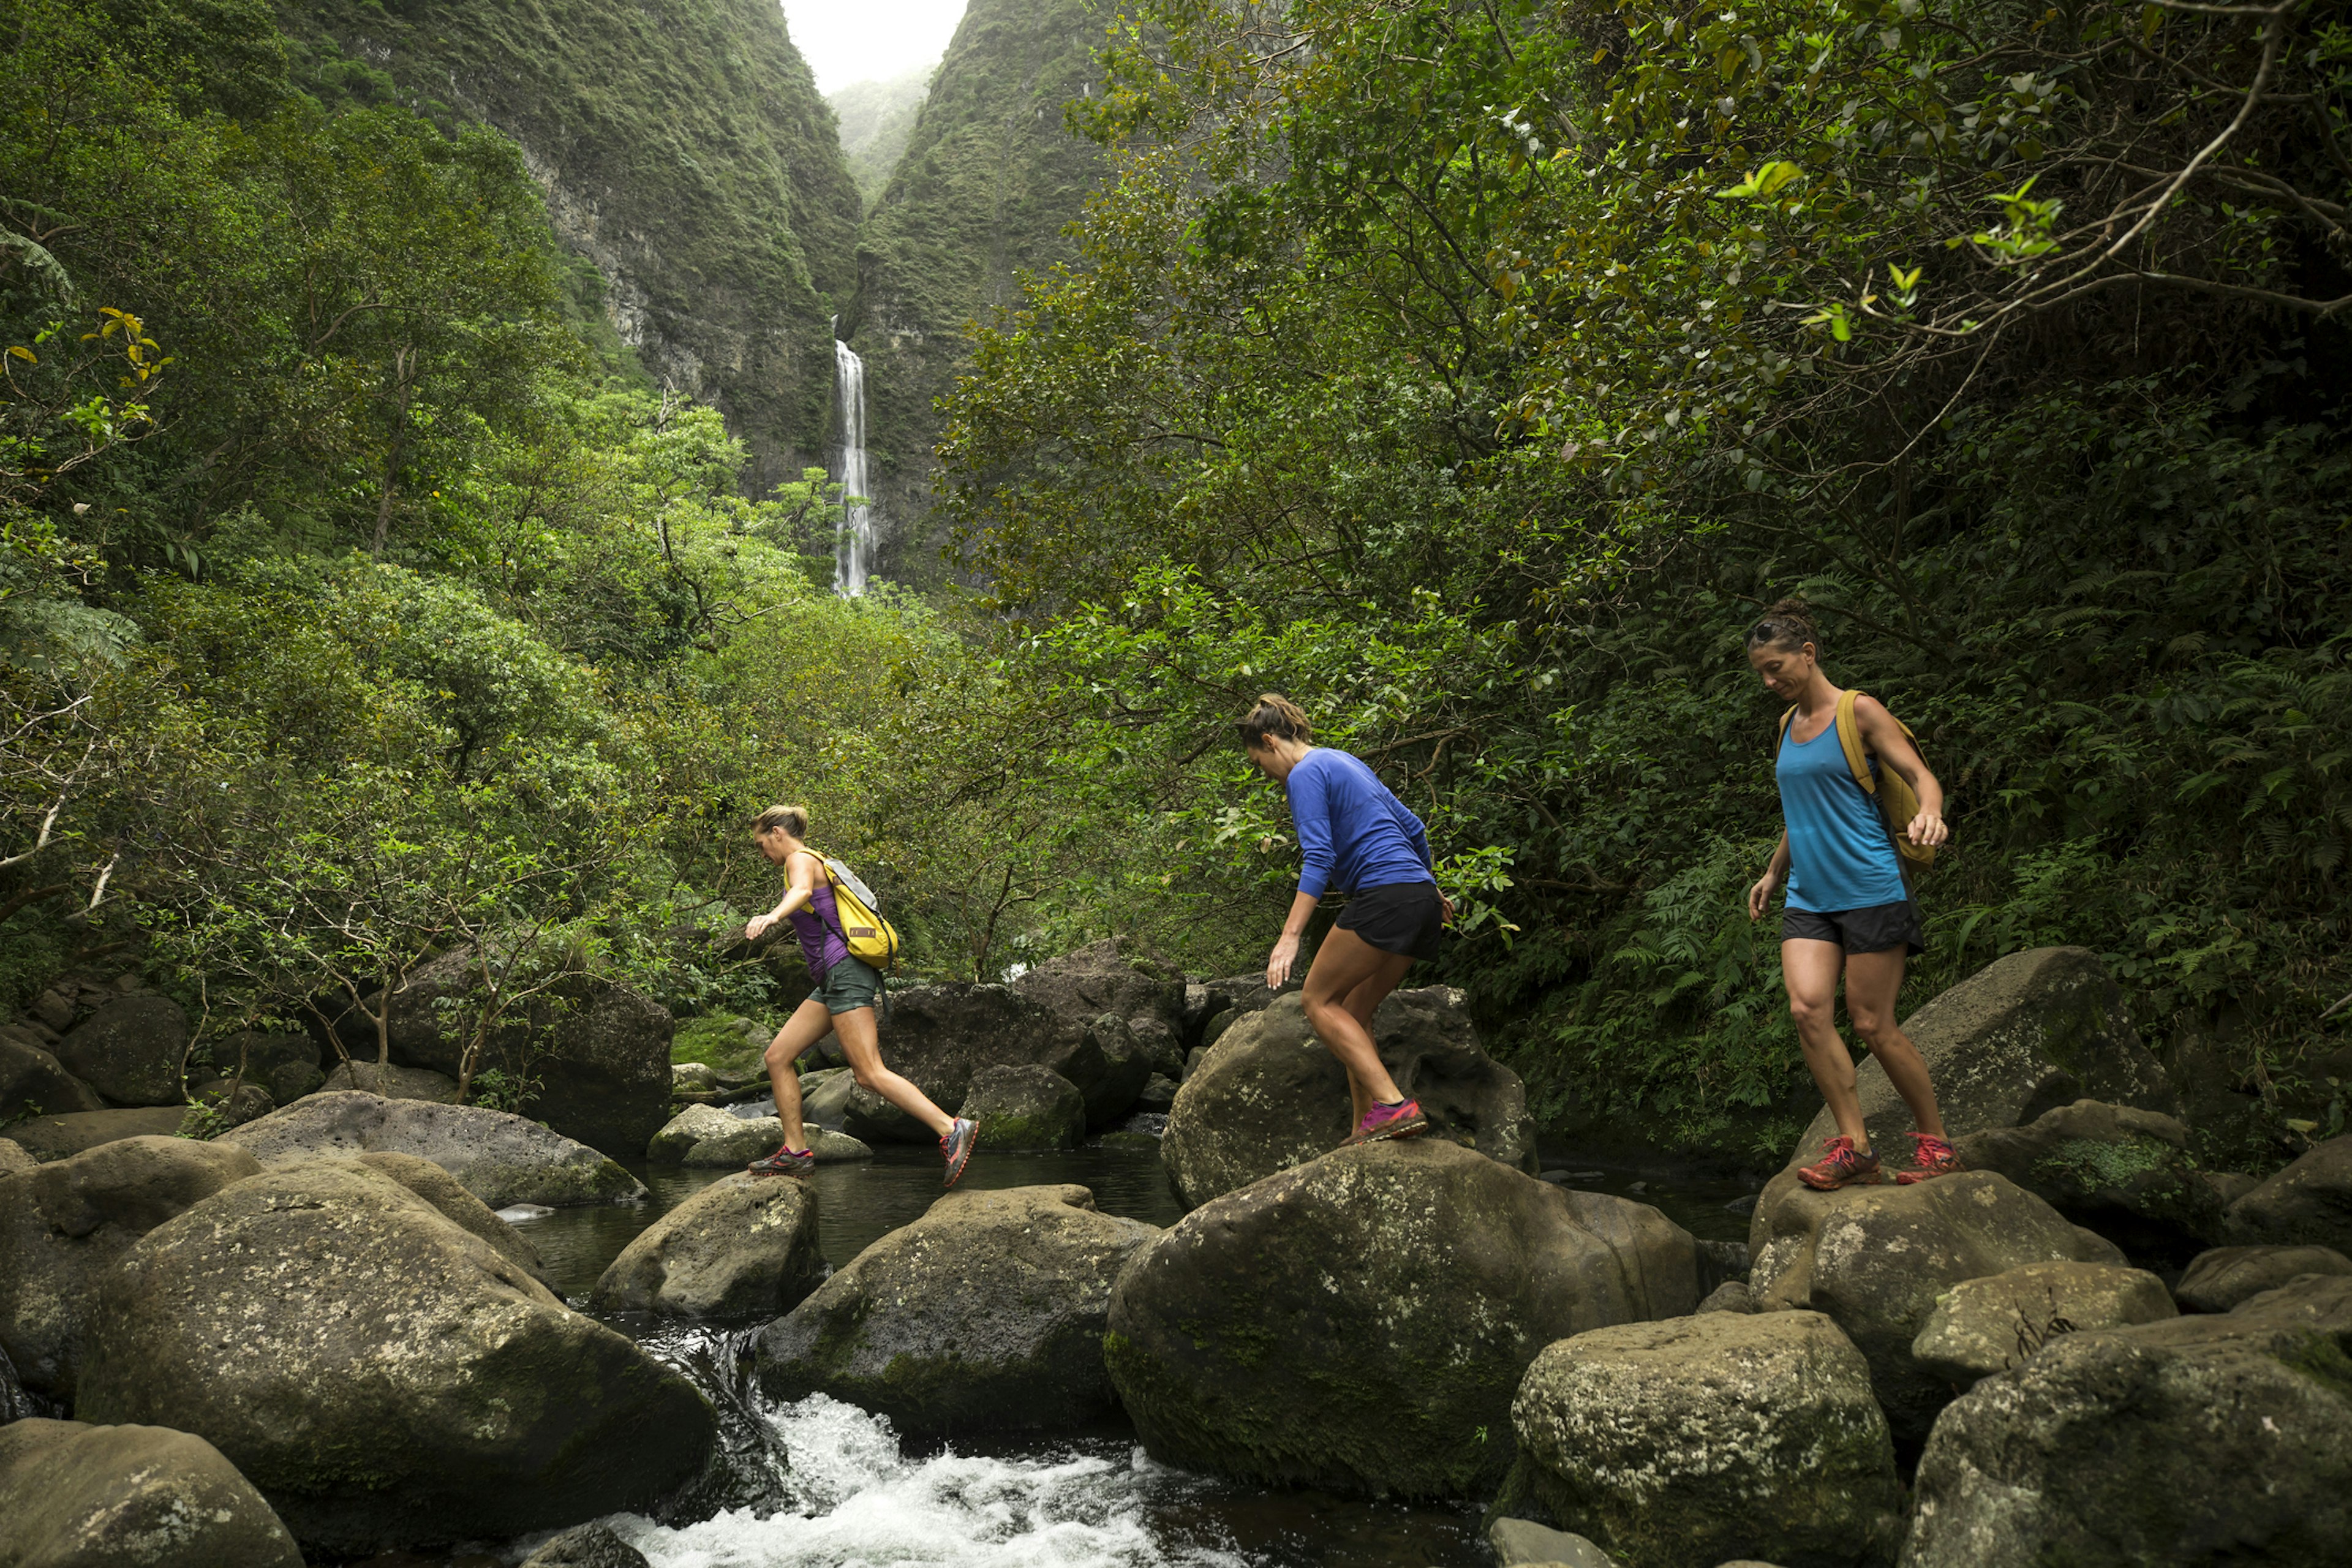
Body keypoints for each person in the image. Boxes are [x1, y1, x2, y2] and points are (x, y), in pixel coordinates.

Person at [1743, 601, 1961, 1189]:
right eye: (1761, 672)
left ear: (1807, 654)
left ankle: (1937, 1144)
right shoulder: (1787, 726)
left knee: (1872, 1023)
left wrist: (1933, 812)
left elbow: (1920, 776)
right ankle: (1856, 1147)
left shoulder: (1857, 710)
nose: (1770, 681)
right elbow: (1801, 810)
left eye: (1776, 667)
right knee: (1807, 1011)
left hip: (1870, 888)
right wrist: (1772, 872)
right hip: (1810, 894)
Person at [1242, 693, 1453, 1144]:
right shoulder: (1344, 760)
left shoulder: (1305, 775)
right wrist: (1428, 887)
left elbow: (1319, 857)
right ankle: (1366, 1127)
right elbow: (1413, 827)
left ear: (1270, 741)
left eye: (1261, 764)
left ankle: (1395, 1107)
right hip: (1419, 899)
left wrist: (1290, 937)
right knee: (1354, 1011)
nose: (1267, 775)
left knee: (1317, 1001)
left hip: (1385, 896)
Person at [739, 805, 976, 1185]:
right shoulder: (812, 860)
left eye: (761, 843)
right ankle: (796, 1153)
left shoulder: (799, 859)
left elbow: (801, 892)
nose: (762, 852)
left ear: (777, 834)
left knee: (868, 1073)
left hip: (846, 972)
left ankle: (952, 1127)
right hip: (833, 979)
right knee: (778, 1056)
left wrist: (771, 916)